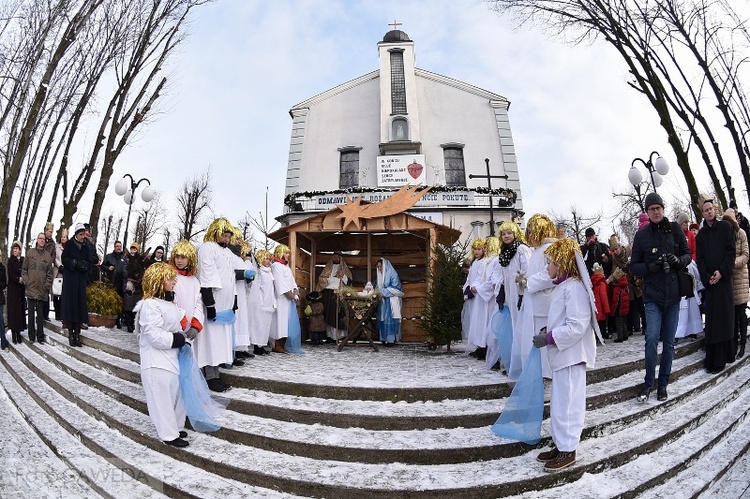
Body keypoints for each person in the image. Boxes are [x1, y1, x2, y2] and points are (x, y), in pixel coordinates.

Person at [532, 238, 597, 472]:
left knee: (569, 403)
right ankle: (561, 444)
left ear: (562, 264)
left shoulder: (575, 288)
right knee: (560, 402)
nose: (547, 268)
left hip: (571, 355)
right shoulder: (564, 286)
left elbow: (577, 325)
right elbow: (561, 319)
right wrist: (547, 331)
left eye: (549, 263)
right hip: (562, 355)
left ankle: (569, 448)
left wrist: (550, 338)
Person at [631, 192, 691, 402]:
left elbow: (688, 255)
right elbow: (634, 266)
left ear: (663, 209)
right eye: (651, 209)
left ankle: (663, 384)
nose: (656, 212)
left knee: (669, 343)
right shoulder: (642, 236)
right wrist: (650, 266)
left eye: (658, 208)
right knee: (650, 339)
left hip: (673, 295)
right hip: (652, 297)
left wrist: (677, 261)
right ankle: (649, 383)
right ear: (647, 212)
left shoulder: (674, 228)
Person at [134, 262, 189, 448]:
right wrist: (178, 339)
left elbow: (177, 328)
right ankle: (168, 434)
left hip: (171, 359)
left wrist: (184, 338)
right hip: (156, 361)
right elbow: (154, 336)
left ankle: (175, 427)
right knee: (161, 399)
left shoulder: (169, 303)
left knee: (174, 395)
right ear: (158, 280)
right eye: (170, 278)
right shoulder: (150, 305)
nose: (174, 281)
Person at [514, 213, 557, 378]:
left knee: (545, 342)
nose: (529, 235)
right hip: (534, 302)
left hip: (544, 303)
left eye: (532, 232)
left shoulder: (549, 249)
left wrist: (529, 282)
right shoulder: (537, 250)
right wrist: (524, 280)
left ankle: (548, 377)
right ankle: (538, 375)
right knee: (536, 342)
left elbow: (551, 275)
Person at [696, 199, 736, 374]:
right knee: (713, 322)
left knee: (724, 320)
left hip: (724, 281)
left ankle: (726, 356)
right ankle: (713, 359)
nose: (709, 212)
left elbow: (731, 252)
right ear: (703, 214)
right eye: (706, 210)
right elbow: (701, 260)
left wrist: (721, 272)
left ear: (715, 210)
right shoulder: (701, 235)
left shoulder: (726, 228)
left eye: (711, 209)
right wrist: (707, 277)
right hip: (711, 284)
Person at [196, 218, 236, 391]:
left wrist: (234, 299)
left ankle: (216, 373)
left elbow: (230, 276)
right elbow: (206, 274)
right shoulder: (207, 248)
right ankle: (210, 376)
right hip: (214, 301)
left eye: (228, 236)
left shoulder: (227, 252)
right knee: (210, 340)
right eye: (224, 236)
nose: (227, 239)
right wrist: (209, 304)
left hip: (225, 304)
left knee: (220, 341)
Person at [495, 222, 532, 379]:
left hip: (520, 294)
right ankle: (516, 364)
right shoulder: (504, 253)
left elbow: (528, 271)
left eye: (509, 233)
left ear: (516, 233)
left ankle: (526, 365)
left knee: (522, 329)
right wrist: (502, 295)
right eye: (504, 234)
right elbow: (504, 278)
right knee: (514, 329)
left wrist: (522, 294)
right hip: (511, 296)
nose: (506, 236)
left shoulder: (521, 249)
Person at [61, 224, 94, 347]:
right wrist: (74, 263)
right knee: (71, 306)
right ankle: (71, 333)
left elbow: (90, 261)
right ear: (76, 234)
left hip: (80, 280)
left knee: (79, 306)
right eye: (80, 234)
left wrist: (84, 265)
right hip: (70, 280)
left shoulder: (86, 247)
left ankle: (77, 333)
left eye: (83, 234)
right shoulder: (69, 244)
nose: (82, 237)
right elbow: (64, 259)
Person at [721, 209, 748, 358]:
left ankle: (743, 342)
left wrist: (731, 263)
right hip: (728, 279)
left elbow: (745, 255)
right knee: (731, 314)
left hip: (740, 278)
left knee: (741, 313)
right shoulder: (724, 236)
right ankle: (733, 342)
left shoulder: (741, 234)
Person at [169, 239, 204, 351]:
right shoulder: (169, 277)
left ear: (190, 259)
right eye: (177, 256)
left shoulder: (194, 281)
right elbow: (170, 302)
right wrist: (183, 322)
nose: (179, 260)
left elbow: (198, 303)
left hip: (188, 328)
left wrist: (195, 325)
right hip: (172, 325)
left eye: (183, 257)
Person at [22, 232, 55, 344]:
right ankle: (31, 337)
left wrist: (46, 286)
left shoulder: (47, 256)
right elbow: (24, 270)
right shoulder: (30, 253)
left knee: (40, 316)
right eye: (40, 238)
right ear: (37, 240)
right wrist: (27, 281)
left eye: (43, 239)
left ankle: (40, 337)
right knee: (30, 315)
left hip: (42, 290)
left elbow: (50, 274)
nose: (42, 240)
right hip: (31, 289)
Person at [462, 238, 493, 359]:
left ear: (484, 249)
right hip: (474, 297)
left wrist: (475, 288)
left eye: (479, 249)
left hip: (480, 297)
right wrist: (466, 290)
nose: (476, 251)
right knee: (475, 322)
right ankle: (478, 346)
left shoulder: (485, 262)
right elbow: (469, 279)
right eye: (475, 249)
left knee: (482, 321)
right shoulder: (474, 262)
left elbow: (482, 277)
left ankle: (484, 347)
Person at [270, 244, 299, 353]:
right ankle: (276, 343)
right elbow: (280, 283)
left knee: (286, 322)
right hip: (281, 298)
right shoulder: (276, 265)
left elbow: (292, 281)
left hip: (288, 300)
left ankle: (283, 343)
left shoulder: (286, 266)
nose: (288, 255)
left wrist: (296, 292)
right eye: (286, 253)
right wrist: (291, 295)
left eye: (288, 253)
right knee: (280, 321)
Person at [317, 252, 352, 342]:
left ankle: (338, 336)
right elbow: (321, 279)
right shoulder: (327, 268)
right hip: (328, 293)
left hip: (339, 293)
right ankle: (330, 336)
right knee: (329, 314)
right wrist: (332, 279)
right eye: (334, 257)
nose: (336, 259)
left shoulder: (344, 268)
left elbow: (349, 280)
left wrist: (342, 276)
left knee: (338, 314)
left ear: (340, 258)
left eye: (338, 257)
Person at [248, 249, 275, 356]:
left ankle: (262, 344)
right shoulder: (259, 272)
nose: (268, 261)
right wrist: (260, 302)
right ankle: (256, 346)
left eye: (269, 259)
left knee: (266, 326)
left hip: (269, 302)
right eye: (265, 259)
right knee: (259, 325)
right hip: (261, 302)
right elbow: (257, 288)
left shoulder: (269, 272)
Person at [375, 258, 404, 346]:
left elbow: (396, 288)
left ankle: (391, 340)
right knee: (383, 319)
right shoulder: (379, 275)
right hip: (383, 301)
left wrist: (381, 292)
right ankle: (384, 338)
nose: (379, 269)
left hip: (392, 301)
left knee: (391, 320)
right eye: (378, 267)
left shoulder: (393, 274)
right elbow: (377, 287)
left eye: (381, 266)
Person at [103, 241, 127, 328]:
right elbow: (102, 266)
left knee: (120, 303)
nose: (118, 248)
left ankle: (118, 320)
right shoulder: (109, 257)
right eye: (117, 246)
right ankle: (109, 318)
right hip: (111, 282)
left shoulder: (125, 258)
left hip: (121, 283)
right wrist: (108, 268)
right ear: (114, 247)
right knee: (111, 301)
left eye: (120, 246)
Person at [124, 242, 146, 333]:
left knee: (136, 305)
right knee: (128, 305)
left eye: (135, 249)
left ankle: (134, 324)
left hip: (137, 285)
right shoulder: (126, 259)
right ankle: (128, 324)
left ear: (137, 250)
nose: (133, 251)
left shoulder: (140, 260)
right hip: (128, 283)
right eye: (132, 249)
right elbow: (124, 270)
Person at [7, 241, 26, 344]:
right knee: (13, 311)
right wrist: (17, 279)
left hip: (21, 289)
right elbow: (10, 273)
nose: (15, 250)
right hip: (13, 289)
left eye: (17, 249)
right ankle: (14, 332)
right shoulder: (10, 261)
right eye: (14, 249)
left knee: (20, 311)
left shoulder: (22, 260)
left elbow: (25, 270)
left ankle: (19, 332)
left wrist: (24, 278)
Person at [52, 229, 67, 321]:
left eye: (64, 237)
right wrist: (60, 266)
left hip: (66, 272)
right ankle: (57, 313)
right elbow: (55, 258)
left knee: (63, 294)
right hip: (58, 271)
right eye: (62, 237)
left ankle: (62, 313)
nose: (63, 238)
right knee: (56, 292)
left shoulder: (69, 248)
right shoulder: (57, 247)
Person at [0, 257, 7, 350]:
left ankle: (3, 342)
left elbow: (4, 283)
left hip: (0, 297)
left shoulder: (2, 268)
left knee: (0, 320)